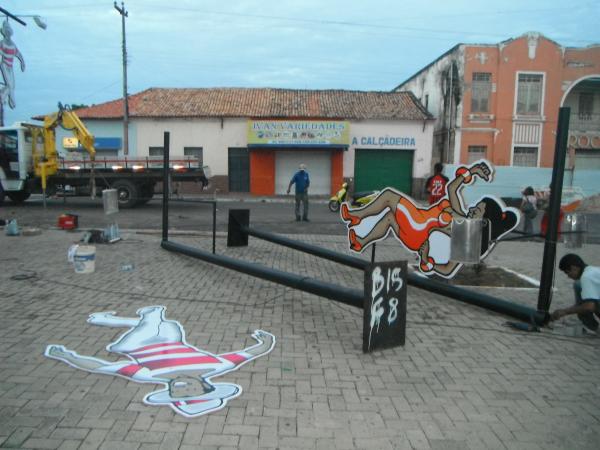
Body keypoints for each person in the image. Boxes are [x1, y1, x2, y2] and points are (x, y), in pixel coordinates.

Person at [45, 306, 275, 417]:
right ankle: (123, 319)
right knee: (168, 326)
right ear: (206, 385)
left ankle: (146, 316)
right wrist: (263, 342)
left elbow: (104, 367)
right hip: (170, 340)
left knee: (153, 323)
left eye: (178, 394)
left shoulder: (150, 375)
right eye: (190, 391)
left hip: (137, 345)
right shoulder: (217, 365)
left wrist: (68, 356)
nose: (181, 388)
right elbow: (252, 352)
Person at [340, 161, 518, 278]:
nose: (472, 208)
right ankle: (360, 241)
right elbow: (453, 188)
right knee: (388, 218)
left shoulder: (466, 232)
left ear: (485, 219)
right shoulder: (461, 216)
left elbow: (448, 268)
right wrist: (473, 171)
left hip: (419, 229)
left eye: (478, 209)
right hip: (416, 222)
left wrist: (428, 262)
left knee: (388, 196)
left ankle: (356, 217)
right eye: (476, 205)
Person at [550, 254, 600, 333]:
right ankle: (597, 329)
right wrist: (563, 311)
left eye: (567, 272)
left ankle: (596, 329)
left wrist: (565, 312)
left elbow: (589, 306)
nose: (568, 276)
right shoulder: (592, 271)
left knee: (584, 308)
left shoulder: (587, 276)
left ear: (574, 268)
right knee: (580, 306)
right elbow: (580, 305)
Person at [0, 21, 25, 109]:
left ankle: (4, 96)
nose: (8, 33)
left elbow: (19, 54)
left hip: (10, 67)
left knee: (12, 86)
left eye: (9, 31)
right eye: (6, 31)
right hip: (4, 65)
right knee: (10, 85)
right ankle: (10, 101)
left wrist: (22, 63)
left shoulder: (12, 45)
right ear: (4, 32)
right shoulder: (2, 43)